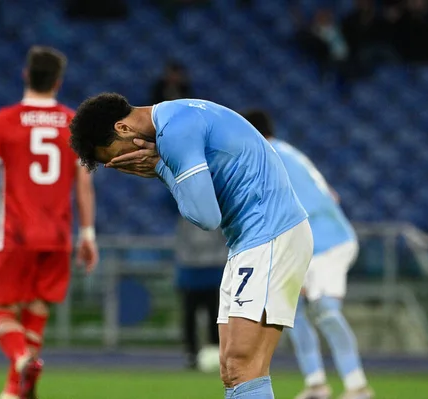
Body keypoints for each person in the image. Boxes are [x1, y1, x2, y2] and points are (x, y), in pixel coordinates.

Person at [69, 93, 313, 399]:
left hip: (271, 234)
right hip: (252, 239)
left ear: (123, 128)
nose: (121, 164)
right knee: (231, 368)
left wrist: (161, 168)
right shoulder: (176, 115)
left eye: (113, 157)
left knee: (241, 365)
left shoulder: (174, 132)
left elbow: (206, 216)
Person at [0, 46, 99, 399]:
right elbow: (84, 184)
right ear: (58, 82)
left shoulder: (4, 120)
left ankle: (19, 360)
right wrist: (88, 234)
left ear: (25, 76)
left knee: (0, 307)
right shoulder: (73, 123)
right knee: (37, 306)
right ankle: (15, 391)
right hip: (58, 235)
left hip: (16, 234)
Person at [242, 110, 373, 399]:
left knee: (325, 311)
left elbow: (286, 211)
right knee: (291, 310)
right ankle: (316, 384)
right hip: (312, 242)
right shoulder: (290, 154)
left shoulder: (270, 159)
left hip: (328, 244)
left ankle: (357, 385)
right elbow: (332, 195)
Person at [175, 217, 227, 369]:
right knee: (189, 316)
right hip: (191, 270)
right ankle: (191, 353)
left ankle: (217, 351)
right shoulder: (184, 209)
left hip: (213, 270)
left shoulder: (217, 211)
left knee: (217, 316)